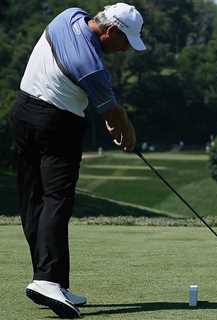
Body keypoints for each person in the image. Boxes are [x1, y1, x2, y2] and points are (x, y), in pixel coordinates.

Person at [9, 3, 145, 318]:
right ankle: (46, 280)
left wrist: (112, 116)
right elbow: (115, 115)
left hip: (23, 112)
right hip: (57, 125)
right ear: (111, 31)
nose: (124, 50)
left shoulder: (68, 15)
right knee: (57, 200)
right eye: (125, 42)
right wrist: (126, 129)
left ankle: (52, 281)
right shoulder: (94, 68)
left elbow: (107, 110)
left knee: (33, 200)